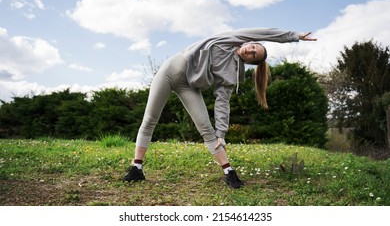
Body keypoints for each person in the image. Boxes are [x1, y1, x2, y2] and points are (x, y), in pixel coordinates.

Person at [122, 28, 317, 189]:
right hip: (169, 71)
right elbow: (264, 33)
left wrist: (222, 133)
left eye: (254, 55)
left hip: (188, 85)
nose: (251, 50)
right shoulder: (230, 39)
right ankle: (136, 168)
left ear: (250, 62)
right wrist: (293, 36)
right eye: (253, 46)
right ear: (249, 42)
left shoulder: (232, 75)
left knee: (207, 130)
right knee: (149, 120)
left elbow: (222, 103)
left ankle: (229, 172)